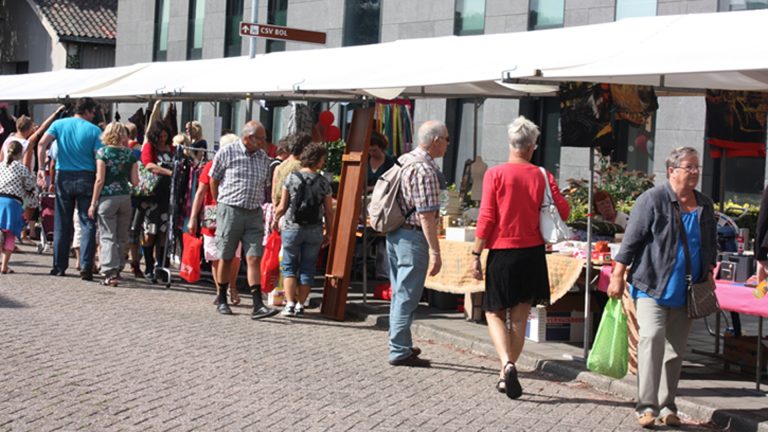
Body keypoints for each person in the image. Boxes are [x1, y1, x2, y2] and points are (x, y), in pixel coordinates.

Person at [607, 146, 717, 429]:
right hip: (652, 285)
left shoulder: (705, 204)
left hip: (687, 290)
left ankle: (667, 406)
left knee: (675, 351)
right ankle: (646, 407)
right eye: (689, 167)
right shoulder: (652, 200)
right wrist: (617, 274)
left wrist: (709, 271)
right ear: (671, 170)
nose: (695, 172)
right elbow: (631, 240)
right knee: (652, 338)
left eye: (697, 167)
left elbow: (709, 242)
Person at [469, 116, 570, 398]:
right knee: (520, 317)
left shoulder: (495, 174)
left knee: (493, 311)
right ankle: (506, 374)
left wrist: (476, 252)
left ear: (509, 143)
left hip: (502, 251)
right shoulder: (542, 175)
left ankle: (507, 364)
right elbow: (563, 211)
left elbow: (487, 217)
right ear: (532, 146)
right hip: (532, 253)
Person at [385, 120, 448, 368]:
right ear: (436, 141)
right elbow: (426, 215)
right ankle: (399, 350)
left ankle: (400, 343)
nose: (448, 144)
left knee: (399, 293)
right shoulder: (424, 170)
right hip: (412, 237)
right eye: (446, 139)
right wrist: (435, 251)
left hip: (396, 233)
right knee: (407, 295)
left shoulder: (405, 159)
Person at [208, 120, 278, 319]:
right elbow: (213, 179)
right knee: (226, 256)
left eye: (265, 139)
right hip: (231, 209)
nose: (264, 143)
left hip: (254, 212)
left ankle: (258, 304)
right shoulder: (227, 152)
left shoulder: (263, 158)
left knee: (254, 257)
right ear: (248, 138)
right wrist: (220, 203)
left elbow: (264, 184)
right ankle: (222, 298)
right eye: (261, 139)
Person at [37, 97, 103, 280]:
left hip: (63, 175)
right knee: (87, 222)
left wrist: (41, 168)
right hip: (87, 176)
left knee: (62, 222)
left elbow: (42, 143)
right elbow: (99, 157)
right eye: (93, 112)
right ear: (87, 111)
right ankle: (86, 266)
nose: (94, 115)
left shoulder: (59, 124)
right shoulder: (95, 130)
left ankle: (59, 266)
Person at [272, 142, 334, 317]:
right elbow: (329, 211)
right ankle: (301, 305)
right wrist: (329, 232)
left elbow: (282, 206)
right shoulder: (323, 182)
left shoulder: (291, 178)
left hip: (292, 227)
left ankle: (290, 304)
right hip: (314, 229)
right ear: (318, 160)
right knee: (308, 267)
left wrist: (275, 220)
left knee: (289, 266)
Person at [187, 133, 242, 307]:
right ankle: (221, 291)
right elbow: (200, 192)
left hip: (232, 211)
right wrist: (193, 217)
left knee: (234, 254)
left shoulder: (239, 166)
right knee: (215, 254)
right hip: (213, 211)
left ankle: (231, 287)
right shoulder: (211, 165)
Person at [88, 122, 139, 286]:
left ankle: (109, 272)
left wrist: (93, 203)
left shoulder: (103, 153)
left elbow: (99, 179)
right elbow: (135, 181)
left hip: (107, 197)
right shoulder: (130, 154)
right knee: (122, 236)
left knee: (107, 235)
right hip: (125, 196)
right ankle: (118, 268)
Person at [139, 120, 174, 280]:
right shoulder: (149, 147)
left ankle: (161, 266)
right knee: (150, 231)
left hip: (168, 195)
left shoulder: (172, 148)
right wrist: (168, 172)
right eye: (160, 136)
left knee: (164, 232)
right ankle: (148, 266)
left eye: (165, 136)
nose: (163, 139)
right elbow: (148, 165)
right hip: (152, 196)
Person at [0, 141, 37, 274]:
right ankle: (4, 266)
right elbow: (30, 186)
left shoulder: (0, 166)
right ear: (21, 154)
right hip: (13, 203)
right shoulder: (22, 168)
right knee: (10, 234)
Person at [271, 132, 311, 206]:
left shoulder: (279, 167)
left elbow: (273, 196)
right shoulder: (301, 168)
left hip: (278, 208)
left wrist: (277, 210)